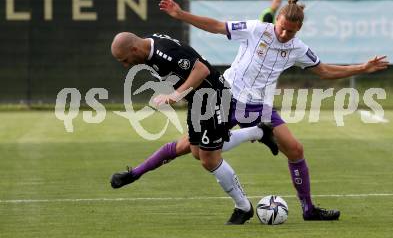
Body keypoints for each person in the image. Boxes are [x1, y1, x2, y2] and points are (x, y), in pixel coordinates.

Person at [112, 0, 389, 221]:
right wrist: (181, 14)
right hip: (229, 95)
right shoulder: (257, 30)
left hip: (258, 105)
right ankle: (136, 172)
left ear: (298, 29)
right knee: (193, 150)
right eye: (282, 27)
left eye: (291, 31)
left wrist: (363, 68)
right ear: (276, 20)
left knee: (295, 149)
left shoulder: (298, 48)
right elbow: (217, 26)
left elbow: (325, 71)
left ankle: (308, 209)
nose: (284, 34)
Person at [110, 32, 279, 224]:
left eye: (125, 60)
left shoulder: (164, 52)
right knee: (197, 151)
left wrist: (175, 94)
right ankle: (259, 131)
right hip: (198, 100)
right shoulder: (146, 49)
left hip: (214, 96)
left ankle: (243, 207)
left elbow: (201, 70)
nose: (125, 65)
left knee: (209, 159)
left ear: (134, 49)